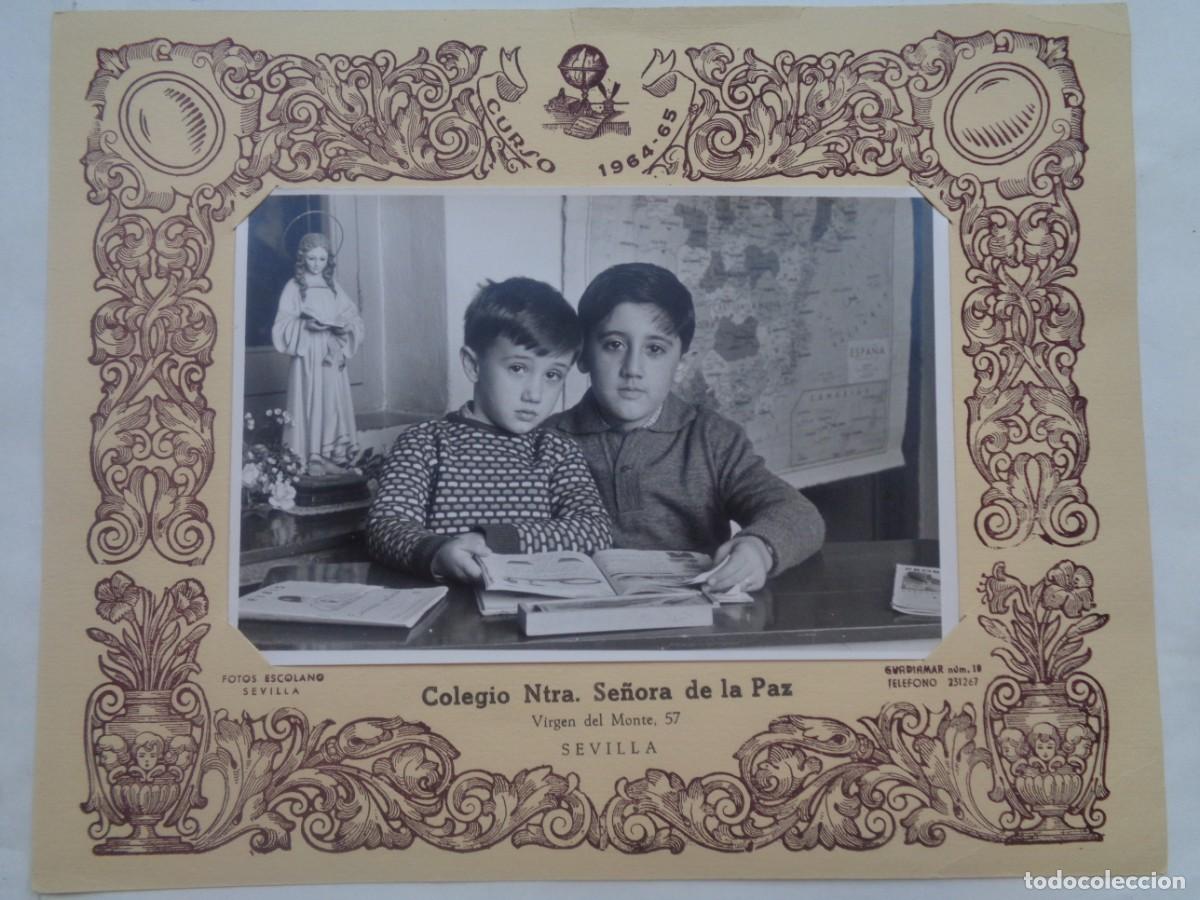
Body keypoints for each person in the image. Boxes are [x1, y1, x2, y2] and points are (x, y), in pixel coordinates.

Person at [550, 262, 825, 594]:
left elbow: (800, 514)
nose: (633, 368)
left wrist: (758, 549)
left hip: (695, 612)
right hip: (578, 613)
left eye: (654, 349)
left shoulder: (713, 439)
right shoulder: (543, 441)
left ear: (680, 362)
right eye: (614, 345)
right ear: (582, 355)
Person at [367, 278, 612, 582]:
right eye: (518, 368)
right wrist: (438, 553)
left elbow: (595, 530)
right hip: (447, 602)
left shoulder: (557, 450)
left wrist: (496, 541)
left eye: (552, 375)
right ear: (473, 365)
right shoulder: (424, 442)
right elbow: (386, 525)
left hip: (531, 600)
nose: (535, 394)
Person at [271, 232, 365, 474]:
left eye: (322, 259)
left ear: (328, 260)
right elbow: (282, 324)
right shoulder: (294, 287)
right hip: (308, 354)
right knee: (311, 399)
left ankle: (332, 454)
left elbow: (353, 316)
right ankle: (311, 454)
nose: (316, 264)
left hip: (331, 353)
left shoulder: (333, 287)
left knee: (332, 400)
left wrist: (344, 326)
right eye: (312, 258)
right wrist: (305, 325)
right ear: (302, 258)